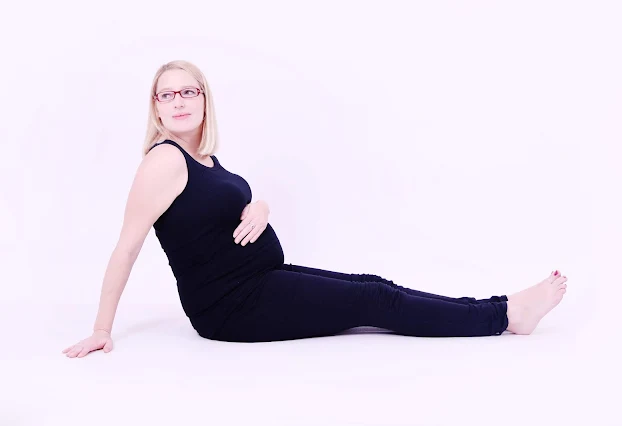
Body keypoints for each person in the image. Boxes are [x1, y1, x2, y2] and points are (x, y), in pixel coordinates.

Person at [62, 60, 568, 358]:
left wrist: (258, 206)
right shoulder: (162, 161)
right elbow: (126, 247)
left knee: (375, 287)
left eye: (188, 91)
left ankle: (499, 310)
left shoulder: (205, 157)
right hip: (231, 308)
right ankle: (506, 316)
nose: (178, 101)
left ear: (204, 99)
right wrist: (104, 329)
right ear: (155, 108)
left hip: (260, 281)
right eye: (166, 94)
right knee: (373, 300)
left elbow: (219, 208)